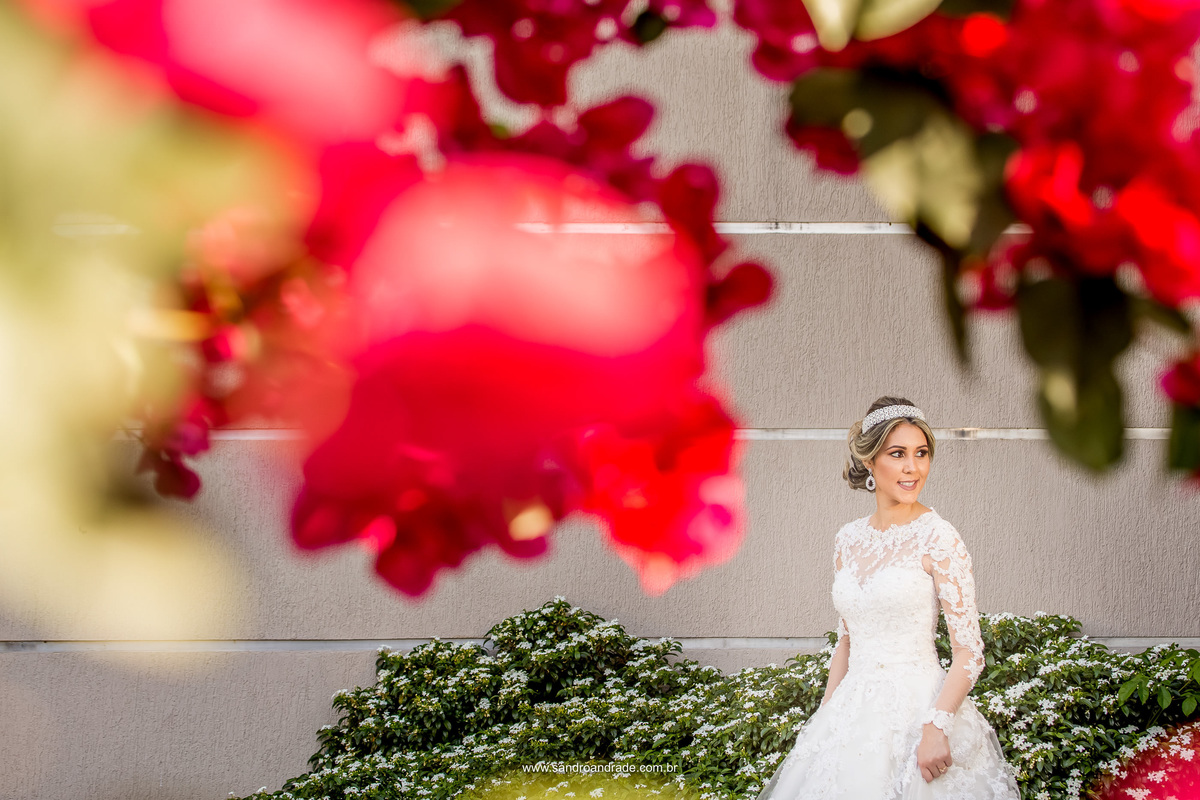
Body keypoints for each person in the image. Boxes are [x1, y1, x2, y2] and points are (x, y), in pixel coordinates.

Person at [754, 397, 1022, 800]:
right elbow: (847, 641)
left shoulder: (939, 536)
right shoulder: (847, 539)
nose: (913, 467)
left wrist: (936, 727)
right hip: (850, 717)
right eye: (898, 454)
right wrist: (824, 718)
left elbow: (970, 652)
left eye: (921, 453)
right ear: (869, 461)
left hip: (919, 711)